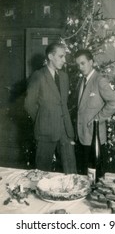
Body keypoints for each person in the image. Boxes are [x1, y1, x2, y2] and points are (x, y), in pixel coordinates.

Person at [24, 40, 77, 173]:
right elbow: (29, 104)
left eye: (64, 56)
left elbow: (63, 103)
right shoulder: (38, 76)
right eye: (61, 56)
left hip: (65, 130)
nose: (64, 60)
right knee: (42, 172)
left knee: (71, 172)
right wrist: (42, 120)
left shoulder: (64, 77)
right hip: (45, 131)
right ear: (50, 56)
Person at [75, 49, 115, 175]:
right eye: (78, 64)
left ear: (91, 62)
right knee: (84, 175)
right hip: (82, 137)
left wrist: (97, 119)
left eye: (83, 63)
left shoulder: (99, 80)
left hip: (95, 137)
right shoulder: (81, 81)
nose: (80, 67)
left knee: (96, 176)